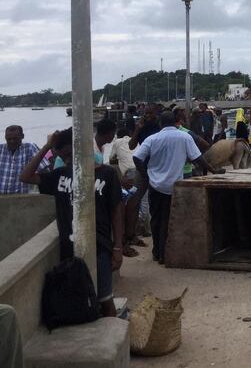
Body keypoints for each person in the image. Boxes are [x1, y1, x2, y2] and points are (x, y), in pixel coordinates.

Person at [20, 128, 124, 317]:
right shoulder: (59, 175)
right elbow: (25, 176)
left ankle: (110, 338)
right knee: (81, 300)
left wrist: (118, 247)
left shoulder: (106, 174)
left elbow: (117, 210)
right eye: (62, 155)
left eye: (69, 154)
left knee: (105, 300)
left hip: (99, 247)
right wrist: (47, 146)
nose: (67, 159)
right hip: (69, 252)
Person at [133, 111, 223, 265]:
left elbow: (136, 157)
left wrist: (146, 175)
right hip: (174, 185)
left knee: (156, 218)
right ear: (176, 122)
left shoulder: (152, 138)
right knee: (170, 219)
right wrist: (214, 170)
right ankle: (166, 252)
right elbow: (198, 158)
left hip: (155, 184)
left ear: (161, 123)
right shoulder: (184, 137)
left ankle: (157, 252)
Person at [108, 126, 145, 258]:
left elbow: (111, 159)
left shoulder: (117, 143)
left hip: (128, 174)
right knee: (139, 203)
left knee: (127, 205)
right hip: (140, 170)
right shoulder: (137, 142)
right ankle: (136, 233)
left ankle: (126, 238)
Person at [0, 125, 48, 194]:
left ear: (22, 136)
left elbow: (44, 170)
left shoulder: (30, 148)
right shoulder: (1, 149)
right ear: (5, 138)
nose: (12, 141)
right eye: (9, 139)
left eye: (15, 138)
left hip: (25, 198)